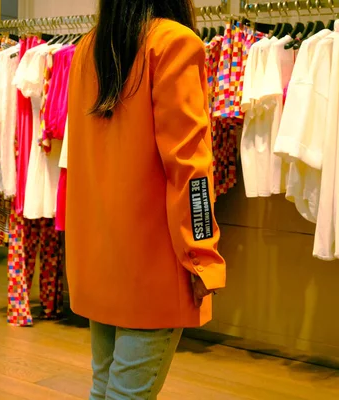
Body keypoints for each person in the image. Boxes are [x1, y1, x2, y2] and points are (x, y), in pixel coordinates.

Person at [66, 0, 226, 398]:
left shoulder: (89, 48)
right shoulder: (173, 43)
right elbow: (192, 170)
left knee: (104, 387)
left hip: (99, 261)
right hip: (151, 265)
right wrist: (202, 254)